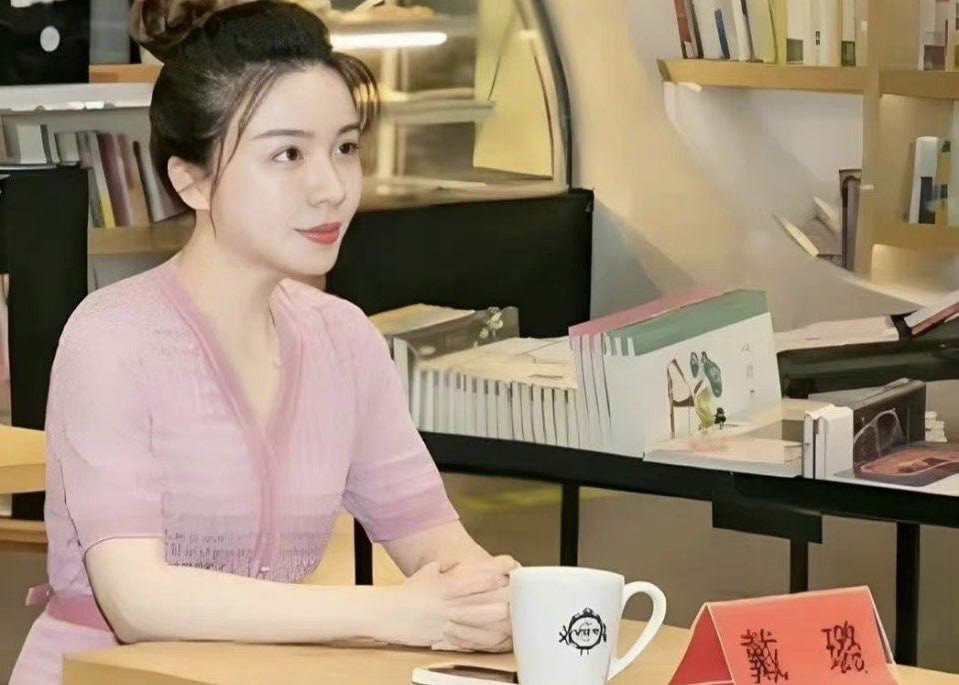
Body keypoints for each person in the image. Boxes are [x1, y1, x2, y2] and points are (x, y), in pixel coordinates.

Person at [10, 2, 515, 682]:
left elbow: (436, 542)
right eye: (287, 154)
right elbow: (138, 601)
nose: (330, 188)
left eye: (344, 148)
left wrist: (491, 597)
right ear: (191, 179)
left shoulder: (342, 337)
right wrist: (393, 612)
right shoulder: (113, 338)